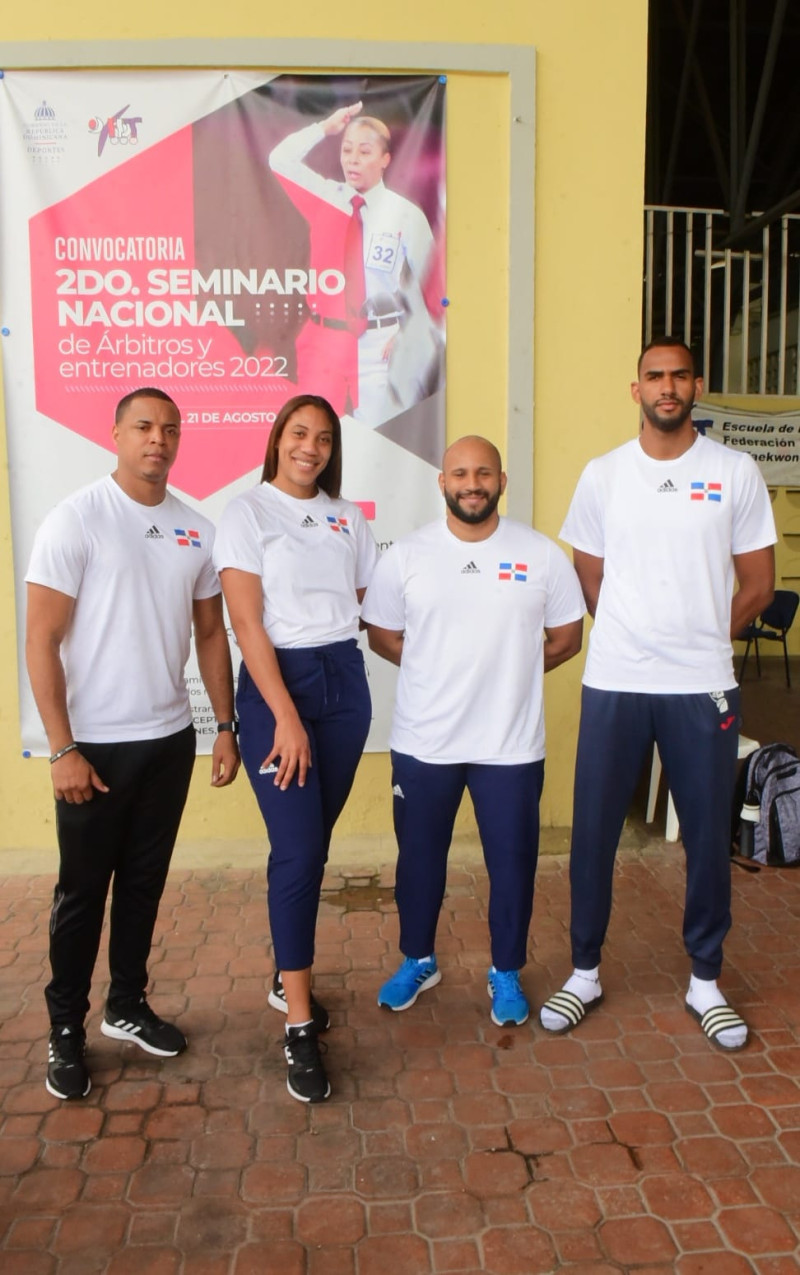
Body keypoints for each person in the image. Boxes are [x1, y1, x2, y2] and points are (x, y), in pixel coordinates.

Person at [539, 337, 777, 1052]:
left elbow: (758, 583)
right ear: (634, 388)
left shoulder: (734, 471)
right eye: (654, 376)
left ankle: (706, 978)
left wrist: (705, 635)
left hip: (701, 684)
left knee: (707, 835)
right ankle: (585, 971)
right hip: (615, 678)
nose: (667, 387)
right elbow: (587, 568)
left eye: (678, 376)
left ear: (696, 385)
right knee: (594, 832)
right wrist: (629, 626)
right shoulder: (605, 474)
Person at [25, 387, 240, 1102]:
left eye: (170, 429)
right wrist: (62, 749)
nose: (158, 439)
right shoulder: (77, 518)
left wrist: (226, 726)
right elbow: (41, 639)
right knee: (83, 893)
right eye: (144, 427)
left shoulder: (195, 530)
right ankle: (65, 1028)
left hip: (168, 739)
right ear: (116, 434)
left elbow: (212, 634)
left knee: (143, 886)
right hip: (94, 746)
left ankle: (126, 1004)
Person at [362, 436, 585, 1025]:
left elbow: (567, 636)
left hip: (509, 746)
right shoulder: (407, 556)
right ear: (442, 482)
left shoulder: (540, 555)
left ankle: (505, 970)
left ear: (501, 481)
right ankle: (418, 960)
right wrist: (437, 666)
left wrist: (508, 667)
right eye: (459, 472)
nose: (472, 482)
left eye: (483, 472)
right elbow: (381, 633)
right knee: (419, 862)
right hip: (423, 742)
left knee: (511, 865)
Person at [213, 393, 378, 1103]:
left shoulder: (348, 518)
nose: (311, 446)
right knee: (299, 851)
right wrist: (282, 713)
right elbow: (246, 624)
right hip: (279, 682)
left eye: (324, 437)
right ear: (278, 438)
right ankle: (300, 1024)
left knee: (315, 841)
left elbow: (376, 603)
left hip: (345, 682)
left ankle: (288, 972)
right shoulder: (247, 513)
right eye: (299, 433)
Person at [269, 101, 441, 426]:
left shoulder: (403, 213)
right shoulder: (327, 197)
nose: (352, 159)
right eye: (347, 150)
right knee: (317, 439)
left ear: (385, 159)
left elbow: (434, 288)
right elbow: (278, 160)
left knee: (377, 445)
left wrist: (408, 335)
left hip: (378, 345)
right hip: (325, 343)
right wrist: (324, 128)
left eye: (364, 151)